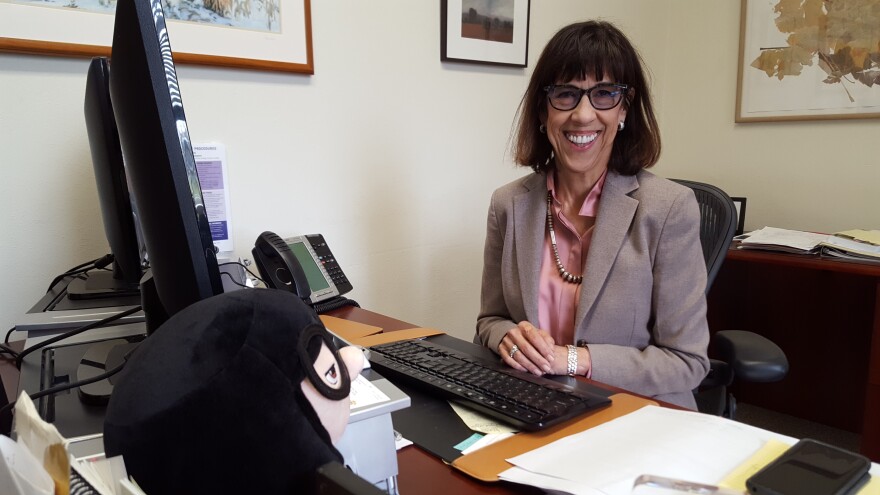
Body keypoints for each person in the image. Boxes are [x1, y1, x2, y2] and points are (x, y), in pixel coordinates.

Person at [475, 20, 709, 409]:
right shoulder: (508, 204)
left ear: (625, 110)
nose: (583, 115)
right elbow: (490, 319)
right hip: (535, 406)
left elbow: (687, 362)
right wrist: (505, 337)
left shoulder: (669, 208)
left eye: (604, 94)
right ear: (542, 110)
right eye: (566, 94)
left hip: (635, 414)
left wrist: (575, 360)